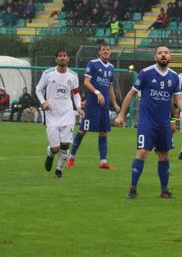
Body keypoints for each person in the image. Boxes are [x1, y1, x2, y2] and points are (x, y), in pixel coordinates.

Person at [115, 46, 182, 199]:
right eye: (160, 53)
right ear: (155, 57)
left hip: (164, 124)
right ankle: (132, 189)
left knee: (164, 156)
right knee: (142, 152)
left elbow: (178, 100)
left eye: (166, 53)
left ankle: (164, 190)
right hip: (147, 122)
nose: (163, 55)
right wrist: (121, 115)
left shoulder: (174, 77)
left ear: (170, 56)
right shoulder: (146, 73)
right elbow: (131, 93)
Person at [67, 41, 121, 169]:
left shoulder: (111, 67)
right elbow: (86, 82)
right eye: (103, 49)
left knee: (103, 132)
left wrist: (115, 104)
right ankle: (71, 157)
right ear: (99, 51)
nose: (106, 51)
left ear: (110, 51)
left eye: (108, 49)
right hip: (92, 105)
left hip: (104, 106)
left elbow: (110, 87)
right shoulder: (93, 64)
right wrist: (97, 92)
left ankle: (103, 161)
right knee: (83, 130)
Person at [36, 50, 83, 178]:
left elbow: (76, 93)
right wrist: (43, 102)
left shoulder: (73, 75)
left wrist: (78, 107)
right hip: (51, 114)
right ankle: (50, 154)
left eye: (65, 56)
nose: (62, 58)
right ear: (56, 59)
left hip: (67, 114)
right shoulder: (48, 73)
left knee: (65, 145)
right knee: (56, 148)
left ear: (68, 59)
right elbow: (38, 90)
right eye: (60, 56)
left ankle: (59, 170)